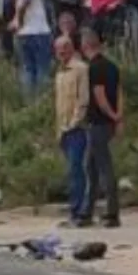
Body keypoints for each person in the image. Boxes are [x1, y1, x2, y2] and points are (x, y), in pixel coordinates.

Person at [82, 29, 123, 228]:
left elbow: (99, 96)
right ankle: (86, 211)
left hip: (98, 122)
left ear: (85, 45)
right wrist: (119, 116)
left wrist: (111, 114)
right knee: (90, 167)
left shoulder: (94, 67)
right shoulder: (112, 67)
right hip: (107, 123)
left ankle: (111, 212)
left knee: (104, 167)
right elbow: (119, 93)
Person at [53, 36, 90, 227]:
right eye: (58, 48)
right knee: (72, 172)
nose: (62, 51)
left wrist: (74, 123)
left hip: (77, 129)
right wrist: (60, 130)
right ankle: (75, 211)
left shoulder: (80, 69)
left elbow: (83, 100)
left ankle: (80, 212)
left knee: (77, 170)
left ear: (72, 48)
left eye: (65, 47)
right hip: (64, 129)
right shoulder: (60, 72)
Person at [9, 0, 54, 100]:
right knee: (41, 70)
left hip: (26, 34)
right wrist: (19, 20)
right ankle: (39, 102)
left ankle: (29, 101)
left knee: (28, 70)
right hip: (37, 33)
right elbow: (22, 3)